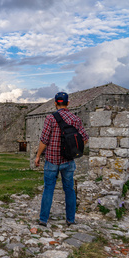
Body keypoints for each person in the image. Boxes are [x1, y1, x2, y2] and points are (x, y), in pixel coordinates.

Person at [34, 92, 89, 227]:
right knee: (69, 189)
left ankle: (43, 219)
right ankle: (70, 220)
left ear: (55, 103)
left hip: (52, 159)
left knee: (48, 189)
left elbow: (44, 140)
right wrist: (74, 150)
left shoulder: (50, 118)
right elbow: (85, 139)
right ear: (68, 103)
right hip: (68, 160)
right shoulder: (75, 119)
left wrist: (37, 156)